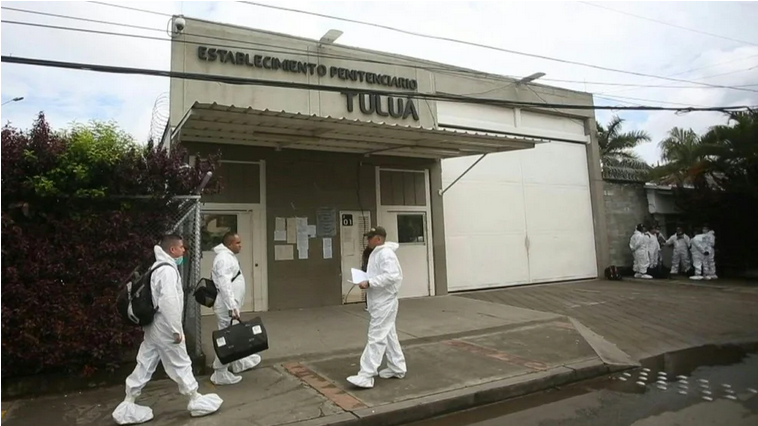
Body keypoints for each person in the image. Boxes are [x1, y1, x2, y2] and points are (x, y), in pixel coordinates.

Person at [113, 234, 223, 425]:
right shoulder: (168, 271)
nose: (184, 251)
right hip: (165, 327)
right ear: (172, 250)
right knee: (180, 362)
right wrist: (176, 330)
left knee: (145, 362)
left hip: (154, 327)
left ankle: (128, 402)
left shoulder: (156, 267)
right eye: (181, 248)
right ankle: (195, 399)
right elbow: (169, 302)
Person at [347, 226, 407, 389]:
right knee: (388, 335)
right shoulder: (378, 253)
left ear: (378, 239)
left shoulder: (385, 254)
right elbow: (382, 275)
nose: (367, 240)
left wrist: (370, 282)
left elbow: (392, 276)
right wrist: (367, 279)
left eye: (370, 238)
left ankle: (366, 375)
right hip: (381, 300)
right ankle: (397, 367)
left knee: (376, 337)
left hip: (384, 301)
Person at [210, 232, 262, 386]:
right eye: (237, 243)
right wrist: (232, 306)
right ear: (229, 244)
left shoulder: (228, 257)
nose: (240, 245)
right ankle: (220, 372)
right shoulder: (224, 259)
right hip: (227, 306)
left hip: (229, 304)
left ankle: (236, 362)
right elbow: (224, 285)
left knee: (232, 334)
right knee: (227, 337)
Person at [360, 239, 374, 310]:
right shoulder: (369, 252)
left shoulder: (366, 252)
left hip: (367, 271)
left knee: (369, 289)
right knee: (370, 288)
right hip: (369, 271)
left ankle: (368, 304)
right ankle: (369, 304)